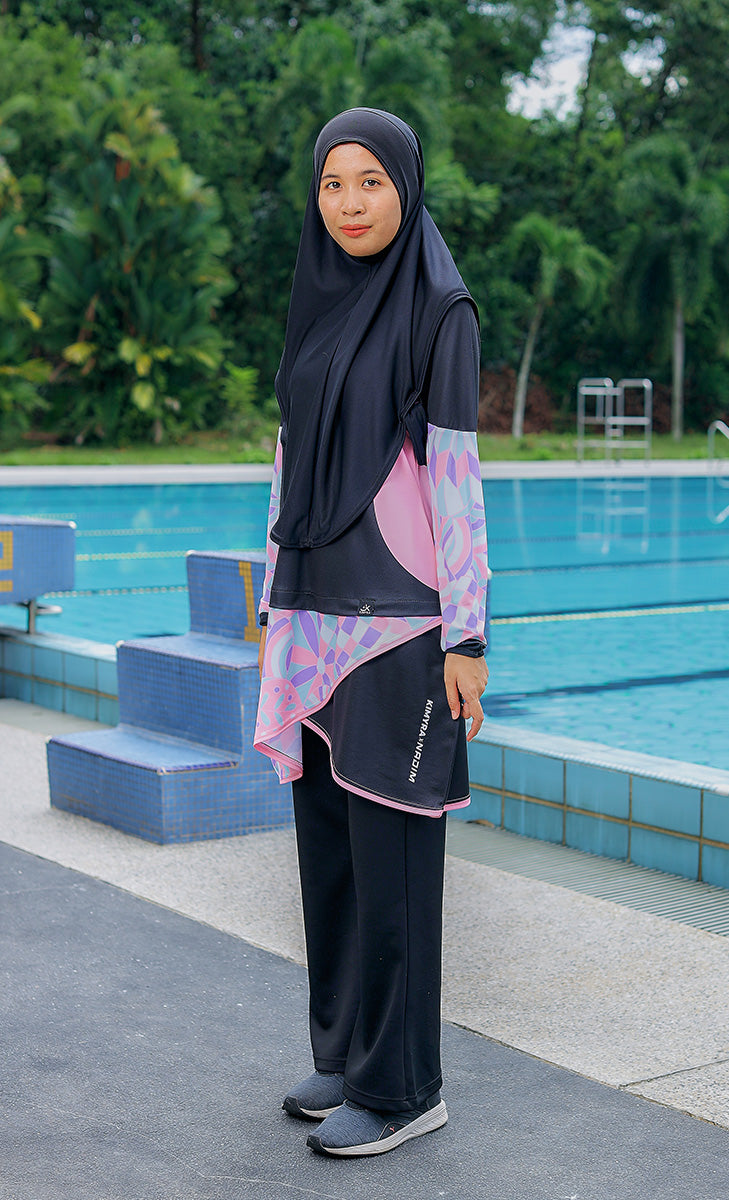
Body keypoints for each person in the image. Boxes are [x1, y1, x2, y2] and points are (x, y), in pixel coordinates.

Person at [254, 107, 488, 1159]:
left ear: (406, 185)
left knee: (391, 857)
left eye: (370, 182)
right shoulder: (316, 298)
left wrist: (467, 636)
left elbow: (457, 479)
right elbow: (287, 456)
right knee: (330, 856)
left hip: (399, 621)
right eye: (331, 184)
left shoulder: (441, 309)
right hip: (312, 612)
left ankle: (403, 1088)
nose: (348, 204)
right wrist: (275, 599)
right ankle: (348, 1053)